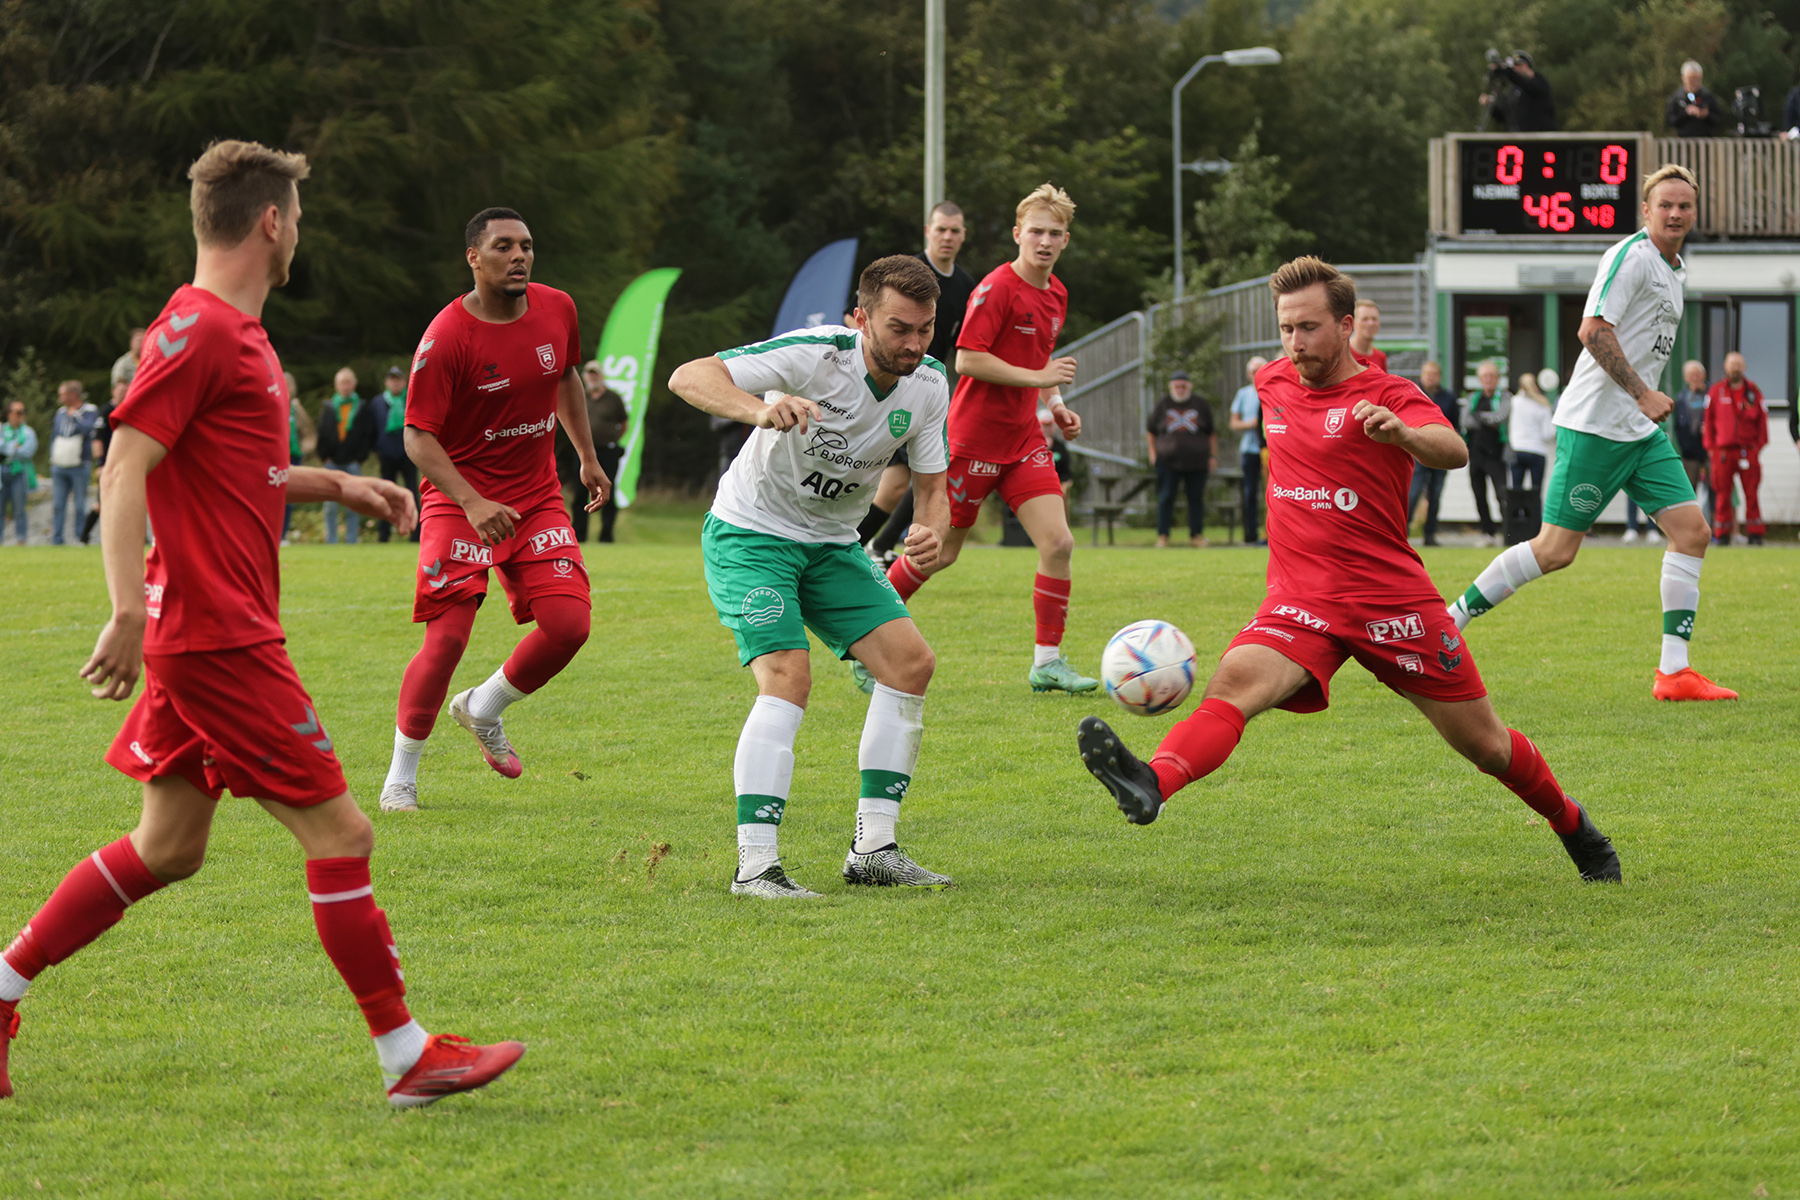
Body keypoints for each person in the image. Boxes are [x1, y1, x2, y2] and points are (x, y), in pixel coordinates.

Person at [0, 138, 523, 1108]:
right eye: (300, 220)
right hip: (219, 639)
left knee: (169, 847)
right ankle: (408, 1056)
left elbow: (228, 469)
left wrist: (336, 485)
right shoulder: (200, 329)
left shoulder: (231, 334)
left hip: (210, 632)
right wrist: (122, 610)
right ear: (273, 222)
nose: (300, 236)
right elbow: (124, 467)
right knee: (343, 833)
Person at [1075, 256, 1619, 885]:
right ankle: (1152, 781)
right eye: (1285, 329)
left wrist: (1402, 436)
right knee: (1234, 686)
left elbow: (1453, 448)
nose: (1294, 342)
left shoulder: (1386, 394)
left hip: (1390, 602)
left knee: (1487, 747)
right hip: (1300, 598)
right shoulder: (1273, 384)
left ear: (1343, 325)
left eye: (1307, 328)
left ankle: (1572, 824)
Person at [668, 254, 954, 898]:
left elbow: (934, 484)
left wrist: (931, 527)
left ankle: (875, 849)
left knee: (910, 665)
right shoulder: (816, 354)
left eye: (925, 329)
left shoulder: (930, 384)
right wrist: (756, 409)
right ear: (861, 319)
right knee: (788, 677)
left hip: (831, 545)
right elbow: (689, 376)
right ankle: (756, 866)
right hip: (752, 534)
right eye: (899, 328)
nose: (913, 344)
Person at [1448, 165, 1734, 702]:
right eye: (1665, 205)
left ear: (1694, 213)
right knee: (1556, 550)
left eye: (1685, 206)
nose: (1675, 214)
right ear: (1645, 211)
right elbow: (1592, 329)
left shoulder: (1675, 268)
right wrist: (1643, 393)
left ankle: (1674, 673)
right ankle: (1449, 623)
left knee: (1693, 532)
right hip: (1596, 427)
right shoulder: (1630, 257)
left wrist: (1644, 399)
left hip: (1638, 432)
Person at [377, 207, 607, 814]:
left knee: (569, 626)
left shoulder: (558, 308)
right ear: (474, 258)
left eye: (527, 245)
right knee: (448, 639)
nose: (520, 256)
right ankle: (402, 773)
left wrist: (584, 455)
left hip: (535, 495)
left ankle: (483, 707)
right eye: (504, 246)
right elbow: (417, 438)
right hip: (459, 499)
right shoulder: (448, 337)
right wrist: (472, 502)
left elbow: (565, 379)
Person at [884, 183, 1096, 694]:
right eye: (1036, 232)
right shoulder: (998, 288)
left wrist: (1058, 406)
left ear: (1065, 240)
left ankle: (1047, 662)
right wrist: (1042, 380)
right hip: (973, 440)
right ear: (1018, 234)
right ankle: (863, 637)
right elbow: (968, 359)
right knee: (942, 553)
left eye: (1055, 234)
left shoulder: (1057, 294)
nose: (1044, 241)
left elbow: (1039, 366)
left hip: (1023, 440)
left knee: (1059, 541)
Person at [863, 202, 980, 559]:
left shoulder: (965, 285)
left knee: (903, 481)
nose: (947, 236)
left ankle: (867, 547)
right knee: (896, 481)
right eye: (940, 229)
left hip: (924, 391)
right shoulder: (904, 274)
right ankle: (856, 547)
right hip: (887, 386)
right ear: (928, 231)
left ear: (963, 236)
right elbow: (860, 322)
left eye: (955, 230)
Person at [1145, 370, 1216, 548]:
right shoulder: (1163, 404)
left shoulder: (1200, 404)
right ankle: (1163, 535)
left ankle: (1196, 535)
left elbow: (1211, 433)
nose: (1180, 389)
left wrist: (1212, 456)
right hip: (1167, 461)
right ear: (1171, 387)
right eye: (1176, 386)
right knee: (1166, 497)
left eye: (1183, 386)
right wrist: (1153, 454)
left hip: (1197, 462)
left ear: (1189, 386)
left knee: (1196, 499)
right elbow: (1151, 431)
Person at [1704, 352, 1767, 545]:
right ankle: (1722, 534)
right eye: (1732, 364)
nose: (1735, 368)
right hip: (1723, 453)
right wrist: (1712, 449)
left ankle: (1755, 534)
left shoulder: (1753, 392)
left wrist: (1757, 449)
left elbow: (1763, 423)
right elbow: (1708, 423)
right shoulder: (1715, 391)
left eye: (1739, 364)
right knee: (1722, 495)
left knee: (1751, 494)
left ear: (1744, 367)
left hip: (1748, 452)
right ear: (1725, 367)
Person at [559, 361, 625, 543]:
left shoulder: (613, 398)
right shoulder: (580, 396)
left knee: (608, 489)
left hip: (606, 451)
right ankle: (579, 535)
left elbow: (624, 423)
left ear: (601, 375)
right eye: (589, 373)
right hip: (582, 452)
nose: (592, 376)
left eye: (595, 373)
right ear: (584, 376)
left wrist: (611, 439)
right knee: (581, 493)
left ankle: (606, 535)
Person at [315, 367, 377, 544]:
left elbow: (368, 435)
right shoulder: (328, 407)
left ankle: (352, 539)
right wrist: (324, 455)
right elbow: (322, 433)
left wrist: (360, 457)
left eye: (348, 382)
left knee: (354, 503)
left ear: (354, 385)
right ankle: (331, 540)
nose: (345, 386)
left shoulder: (362, 408)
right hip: (331, 462)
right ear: (336, 385)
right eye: (342, 382)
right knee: (330, 505)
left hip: (353, 462)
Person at [1407, 360, 1459, 546]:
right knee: (1412, 493)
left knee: (1435, 495)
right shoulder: (1412, 393)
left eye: (1434, 374)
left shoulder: (1449, 398)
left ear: (1439, 376)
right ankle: (1404, 532)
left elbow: (1455, 425)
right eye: (1427, 373)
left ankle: (1430, 534)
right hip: (1417, 451)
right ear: (1422, 375)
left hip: (1440, 453)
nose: (1430, 377)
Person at [1460, 360, 1510, 545]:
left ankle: (1508, 533)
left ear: (1497, 378)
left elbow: (1501, 416)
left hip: (1497, 455)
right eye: (1485, 377)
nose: (1488, 380)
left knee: (1502, 495)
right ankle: (1487, 532)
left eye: (1492, 376)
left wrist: (1479, 417)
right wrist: (1488, 421)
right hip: (1476, 454)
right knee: (1479, 495)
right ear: (1480, 379)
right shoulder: (1473, 398)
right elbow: (1465, 422)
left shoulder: (1504, 397)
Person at [48, 381, 102, 546]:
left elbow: (89, 429)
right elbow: (55, 435)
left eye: (63, 394)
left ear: (73, 395)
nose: (60, 398)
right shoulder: (60, 413)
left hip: (80, 465)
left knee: (80, 504)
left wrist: (76, 416)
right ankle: (57, 539)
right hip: (59, 465)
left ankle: (80, 537)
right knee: (58, 504)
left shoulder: (90, 411)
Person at [371, 366, 418, 544]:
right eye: (392, 379)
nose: (395, 383)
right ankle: (384, 536)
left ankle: (416, 535)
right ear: (386, 382)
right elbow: (372, 429)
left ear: (404, 382)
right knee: (384, 496)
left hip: (409, 454)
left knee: (412, 493)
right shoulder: (377, 403)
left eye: (398, 379)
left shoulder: (412, 399)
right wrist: (376, 449)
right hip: (386, 455)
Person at [1228, 356, 1267, 545]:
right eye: (1254, 371)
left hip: (1269, 449)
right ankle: (1250, 535)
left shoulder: (1272, 392)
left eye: (1262, 370)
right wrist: (1249, 424)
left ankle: (1270, 535)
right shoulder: (1243, 394)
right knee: (1250, 493)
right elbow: (1233, 423)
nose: (1257, 374)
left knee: (1272, 493)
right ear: (1248, 374)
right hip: (1250, 449)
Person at [1479, 50, 1557, 132]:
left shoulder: (1539, 82)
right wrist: (1490, 105)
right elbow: (1506, 116)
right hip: (1519, 139)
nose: (1515, 68)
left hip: (1541, 138)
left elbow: (1529, 86)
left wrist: (1507, 71)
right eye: (1513, 66)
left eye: (1519, 64)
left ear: (1527, 65)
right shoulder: (1515, 92)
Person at [1671, 360, 1710, 510]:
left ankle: (1716, 527)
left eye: (1697, 374)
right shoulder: (1681, 398)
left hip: (1710, 451)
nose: (1694, 378)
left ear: (1704, 375)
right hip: (1689, 453)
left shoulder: (1712, 394)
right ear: (1686, 378)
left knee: (1715, 490)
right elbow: (1677, 426)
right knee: (1688, 491)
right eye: (1690, 375)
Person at [1507, 371, 1555, 496]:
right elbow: (1548, 434)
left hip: (1517, 449)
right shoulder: (1542, 405)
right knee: (1536, 491)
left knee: (1516, 490)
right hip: (1536, 450)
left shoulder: (1513, 402)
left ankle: (1517, 515)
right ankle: (1535, 515)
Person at [1, 402, 38, 544]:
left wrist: (6, 448)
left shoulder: (28, 432)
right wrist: (15, 447)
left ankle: (21, 540)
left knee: (19, 509)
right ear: (9, 414)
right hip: (2, 472)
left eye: (23, 412)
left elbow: (27, 452)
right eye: (18, 412)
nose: (21, 415)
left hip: (19, 472)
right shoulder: (2, 429)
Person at [282, 370, 312, 543]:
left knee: (290, 498)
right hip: (278, 456)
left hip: (294, 455)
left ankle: (284, 534)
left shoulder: (297, 408)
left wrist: (303, 447)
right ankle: (276, 534)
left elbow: (308, 432)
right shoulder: (273, 403)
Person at [1666, 61, 1725, 138]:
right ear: (1684, 78)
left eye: (1696, 79)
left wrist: (1707, 115)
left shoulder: (1708, 96)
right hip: (1683, 142)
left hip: (1705, 142)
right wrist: (1686, 113)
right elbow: (1669, 120)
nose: (1694, 82)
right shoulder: (1677, 98)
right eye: (1691, 79)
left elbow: (1719, 119)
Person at [109, 328, 146, 406]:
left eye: (144, 340)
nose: (141, 344)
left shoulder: (151, 360)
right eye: (138, 341)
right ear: (131, 343)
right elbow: (119, 386)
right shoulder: (123, 363)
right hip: (129, 401)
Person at [1348, 299, 1386, 371]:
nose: (1370, 323)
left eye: (1374, 319)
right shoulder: (1343, 355)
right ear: (1353, 322)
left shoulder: (1380, 357)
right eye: (1365, 319)